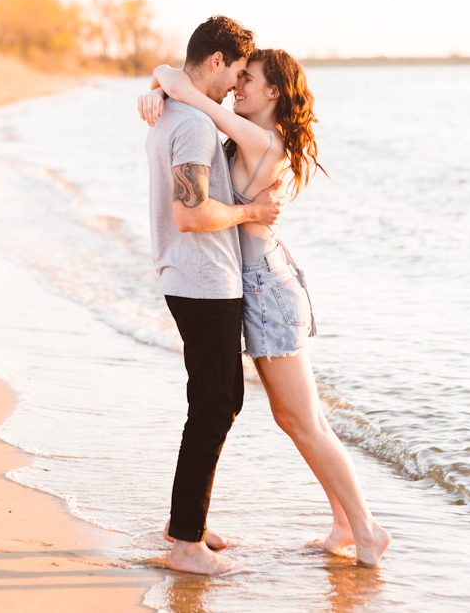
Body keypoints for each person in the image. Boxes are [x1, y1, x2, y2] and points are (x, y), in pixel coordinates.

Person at [139, 46, 392, 567]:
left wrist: (170, 89)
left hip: (269, 292)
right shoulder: (244, 135)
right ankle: (344, 522)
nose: (237, 87)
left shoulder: (265, 141)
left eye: (248, 79)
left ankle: (368, 530)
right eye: (237, 77)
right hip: (254, 286)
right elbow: (179, 81)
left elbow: (194, 95)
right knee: (293, 417)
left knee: (304, 421)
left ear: (273, 92)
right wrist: (158, 86)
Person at [144, 17, 282, 575]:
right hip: (203, 281)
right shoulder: (197, 126)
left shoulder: (175, 113)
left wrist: (158, 82)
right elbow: (191, 211)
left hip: (194, 279)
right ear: (218, 60)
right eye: (235, 76)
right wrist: (250, 212)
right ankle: (184, 543)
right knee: (214, 405)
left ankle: (190, 523)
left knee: (221, 399)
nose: (233, 88)